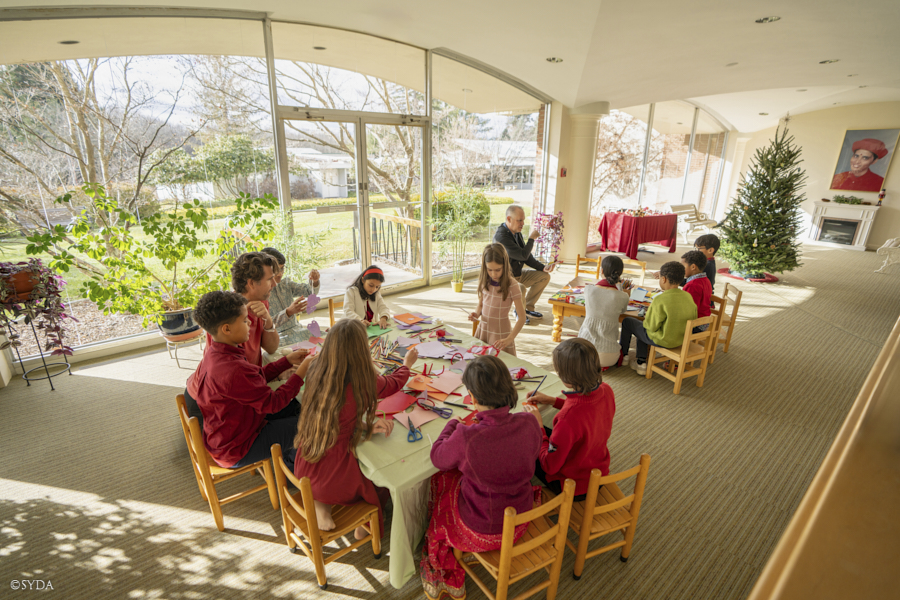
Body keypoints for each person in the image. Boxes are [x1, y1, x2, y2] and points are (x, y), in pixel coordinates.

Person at [419, 355, 542, 600]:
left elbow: (438, 458)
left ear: (472, 398)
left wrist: (452, 426)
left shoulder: (466, 436)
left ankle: (447, 568)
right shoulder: (529, 422)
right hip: (520, 520)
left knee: (442, 480)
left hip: (482, 529)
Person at [293, 318, 418, 537]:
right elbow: (393, 384)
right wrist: (407, 365)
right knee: (381, 481)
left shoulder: (315, 369)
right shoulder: (363, 381)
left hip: (306, 464)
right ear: (361, 350)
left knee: (324, 483)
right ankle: (364, 523)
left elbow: (335, 416)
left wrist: (364, 426)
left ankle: (321, 505)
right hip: (336, 474)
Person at [186, 290, 315, 471]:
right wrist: (301, 372)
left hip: (230, 431)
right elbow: (273, 403)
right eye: (245, 320)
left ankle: (290, 454)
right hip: (237, 447)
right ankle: (292, 473)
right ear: (227, 329)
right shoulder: (232, 369)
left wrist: (286, 361)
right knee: (313, 424)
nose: (250, 324)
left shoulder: (216, 353)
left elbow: (253, 377)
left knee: (296, 407)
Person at [525, 338, 615, 500]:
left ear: (565, 377)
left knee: (526, 437)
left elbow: (549, 466)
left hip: (572, 486)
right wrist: (552, 400)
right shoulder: (606, 390)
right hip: (599, 472)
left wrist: (538, 426)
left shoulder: (566, 419)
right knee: (545, 433)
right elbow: (585, 412)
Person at [620, 261, 697, 375]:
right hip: (681, 339)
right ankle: (641, 362)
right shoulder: (688, 296)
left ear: (663, 279)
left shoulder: (660, 299)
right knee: (641, 327)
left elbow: (651, 326)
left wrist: (648, 315)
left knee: (630, 322)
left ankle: (624, 356)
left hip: (663, 340)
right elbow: (693, 318)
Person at [205, 251, 280, 367]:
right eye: (270, 279)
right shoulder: (227, 314)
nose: (275, 284)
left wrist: (268, 320)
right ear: (251, 283)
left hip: (250, 374)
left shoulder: (261, 302)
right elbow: (229, 369)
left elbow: (272, 348)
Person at [493, 204, 554, 323]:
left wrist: (543, 268)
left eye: (523, 220)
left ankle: (527, 308)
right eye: (519, 220)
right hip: (504, 279)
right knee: (520, 288)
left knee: (544, 277)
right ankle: (519, 311)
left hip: (517, 275)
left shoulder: (516, 233)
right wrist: (531, 239)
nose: (522, 223)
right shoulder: (501, 237)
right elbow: (522, 255)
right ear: (509, 219)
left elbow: (526, 257)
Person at [468, 243, 526, 356]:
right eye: (489, 270)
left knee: (499, 362)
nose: (493, 274)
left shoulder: (512, 285)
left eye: (498, 270)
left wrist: (510, 339)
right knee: (480, 361)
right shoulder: (484, 280)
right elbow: (481, 305)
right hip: (483, 330)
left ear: (505, 265)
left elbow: (522, 318)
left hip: (501, 333)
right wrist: (476, 314)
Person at [578, 255, 633, 367]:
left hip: (583, 354)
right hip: (609, 358)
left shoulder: (588, 290)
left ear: (602, 271)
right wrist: (619, 286)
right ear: (620, 274)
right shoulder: (623, 296)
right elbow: (623, 311)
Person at [260, 247, 321, 348]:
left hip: (298, 331)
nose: (280, 273)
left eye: (282, 268)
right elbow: (264, 326)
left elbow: (309, 291)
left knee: (327, 339)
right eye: (276, 270)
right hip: (278, 338)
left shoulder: (286, 284)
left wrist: (314, 281)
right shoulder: (259, 295)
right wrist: (288, 312)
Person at [681, 250, 711, 333]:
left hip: (695, 325)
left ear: (693, 267)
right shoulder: (706, 280)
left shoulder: (692, 285)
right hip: (703, 321)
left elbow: (688, 311)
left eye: (683, 267)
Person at [694, 233, 719, 299]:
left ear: (710, 250)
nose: (696, 251)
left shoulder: (707, 265)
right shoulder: (709, 262)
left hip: (704, 299)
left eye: (699, 249)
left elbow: (692, 282)